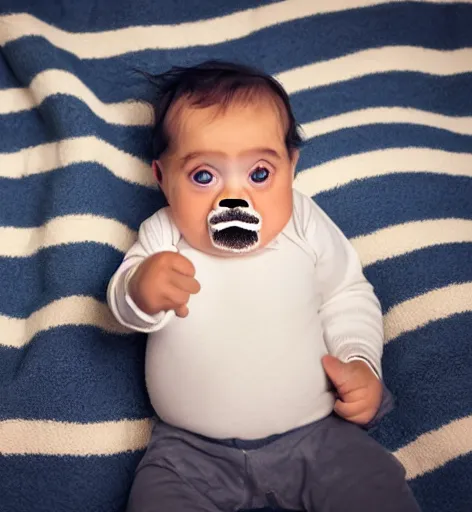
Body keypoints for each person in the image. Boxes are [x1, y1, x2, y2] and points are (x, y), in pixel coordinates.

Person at [107, 60, 420, 512]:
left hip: (317, 435)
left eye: (259, 174)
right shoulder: (162, 235)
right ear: (162, 178)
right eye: (202, 176)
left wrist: (359, 360)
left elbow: (346, 294)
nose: (234, 199)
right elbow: (119, 303)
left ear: (291, 167)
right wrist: (139, 289)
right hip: (190, 453)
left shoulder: (305, 223)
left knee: (376, 488)